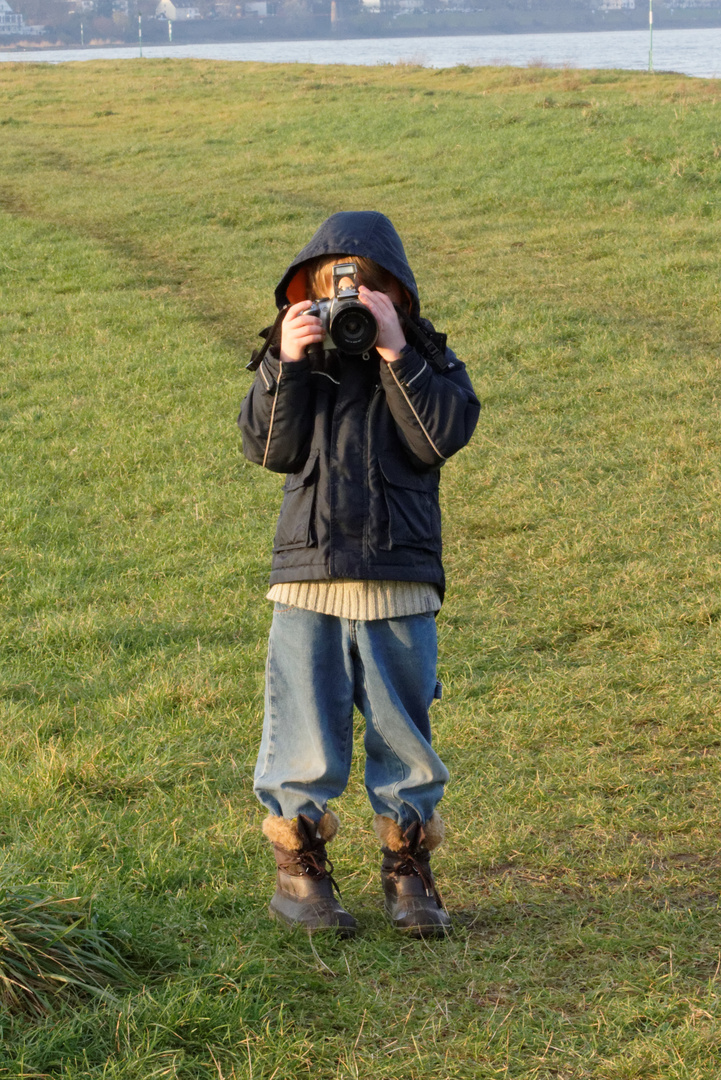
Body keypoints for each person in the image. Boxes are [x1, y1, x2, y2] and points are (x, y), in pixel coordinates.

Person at [238, 211, 480, 938]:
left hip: (399, 573)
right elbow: (267, 450)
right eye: (333, 286)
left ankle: (408, 876)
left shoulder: (426, 356)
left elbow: (438, 436)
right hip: (307, 575)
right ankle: (300, 877)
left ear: (394, 293)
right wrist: (284, 361)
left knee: (403, 735)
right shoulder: (293, 356)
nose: (348, 299)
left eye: (365, 286)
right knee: (302, 730)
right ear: (305, 292)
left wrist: (395, 350)